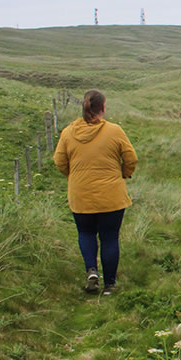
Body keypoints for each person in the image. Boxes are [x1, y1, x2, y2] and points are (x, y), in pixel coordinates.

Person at [53, 90, 138, 295]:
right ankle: (109, 285)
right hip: (111, 196)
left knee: (86, 233)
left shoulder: (67, 132)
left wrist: (73, 176)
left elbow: (59, 161)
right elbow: (131, 158)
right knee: (109, 238)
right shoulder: (114, 131)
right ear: (103, 108)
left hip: (80, 195)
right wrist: (124, 173)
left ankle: (91, 270)